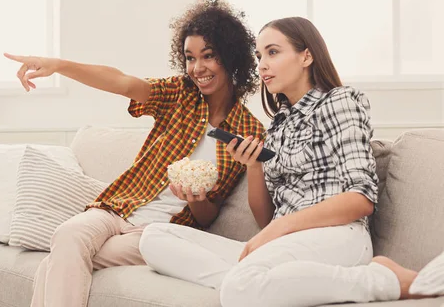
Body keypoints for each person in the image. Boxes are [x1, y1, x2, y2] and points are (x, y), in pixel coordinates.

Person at [138, 16, 437, 307]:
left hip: (336, 235)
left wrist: (274, 232)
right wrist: (254, 167)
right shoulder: (278, 127)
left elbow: (360, 199)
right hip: (284, 242)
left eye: (273, 52)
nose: (262, 64)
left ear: (306, 56)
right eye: (259, 56)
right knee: (154, 238)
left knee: (240, 288)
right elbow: (266, 219)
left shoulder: (339, 101)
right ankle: (267, 283)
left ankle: (383, 279)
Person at [4, 0, 266, 307]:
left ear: (230, 56)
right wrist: (58, 65)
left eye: (208, 56)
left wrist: (197, 199)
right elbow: (123, 83)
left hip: (157, 233)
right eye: (189, 58)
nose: (197, 68)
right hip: (117, 207)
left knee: (54, 264)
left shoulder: (246, 132)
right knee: (67, 236)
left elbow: (207, 216)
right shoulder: (179, 95)